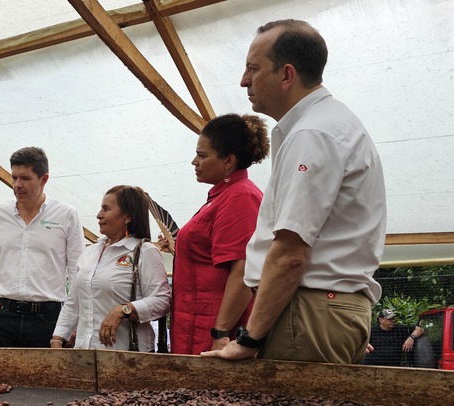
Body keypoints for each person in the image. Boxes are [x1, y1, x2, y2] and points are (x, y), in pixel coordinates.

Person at [204, 19, 386, 363]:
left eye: (253, 68)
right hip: (321, 309)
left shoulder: (312, 133)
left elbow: (291, 253)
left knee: (287, 401)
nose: (244, 80)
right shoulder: (328, 124)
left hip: (307, 311)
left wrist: (249, 338)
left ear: (287, 75)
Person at [161, 114, 268, 355]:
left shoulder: (240, 196)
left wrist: (221, 333)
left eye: (202, 155)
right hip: (195, 325)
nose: (194, 162)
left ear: (228, 160)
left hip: (211, 332)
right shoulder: (223, 196)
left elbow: (243, 271)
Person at [0, 147, 84, 348]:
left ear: (44, 179)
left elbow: (78, 270)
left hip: (49, 318)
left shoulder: (67, 215)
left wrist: (74, 320)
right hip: (2, 314)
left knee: (46, 370)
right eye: (14, 177)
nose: (17, 185)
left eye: (25, 178)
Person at [51, 186, 171, 351]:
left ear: (128, 216)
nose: (99, 215)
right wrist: (57, 339)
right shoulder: (89, 252)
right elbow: (73, 302)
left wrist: (124, 310)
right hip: (84, 352)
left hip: (128, 355)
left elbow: (162, 300)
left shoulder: (145, 251)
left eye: (106, 209)